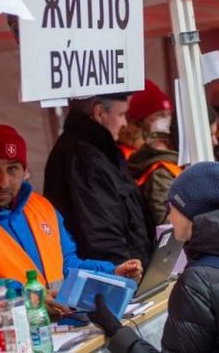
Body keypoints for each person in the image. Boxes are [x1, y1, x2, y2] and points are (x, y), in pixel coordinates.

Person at [0, 124, 142, 347]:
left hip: (58, 341)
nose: (4, 182)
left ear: (24, 171)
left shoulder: (39, 207)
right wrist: (24, 303)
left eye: (12, 169)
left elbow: (66, 266)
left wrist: (111, 274)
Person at [88, 161, 219, 352]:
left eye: (171, 207)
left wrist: (116, 331)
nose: (169, 217)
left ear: (190, 212)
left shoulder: (196, 283)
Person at [44, 94, 154, 268]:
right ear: (99, 112)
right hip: (112, 273)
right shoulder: (84, 157)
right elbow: (101, 234)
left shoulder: (101, 150)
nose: (124, 123)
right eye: (121, 115)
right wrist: (125, 274)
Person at [127, 80, 181, 226]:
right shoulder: (134, 154)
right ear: (140, 120)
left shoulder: (169, 151)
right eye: (160, 115)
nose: (167, 120)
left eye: (169, 114)